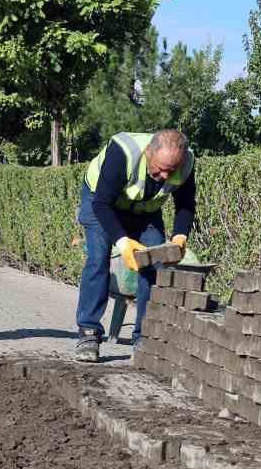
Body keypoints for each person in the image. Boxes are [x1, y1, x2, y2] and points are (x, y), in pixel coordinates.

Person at [74, 128, 196, 362]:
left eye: (171, 171)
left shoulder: (186, 161)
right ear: (149, 152)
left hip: (144, 210)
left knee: (153, 266)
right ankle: (89, 332)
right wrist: (123, 241)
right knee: (98, 259)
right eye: (160, 169)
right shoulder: (123, 152)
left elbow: (186, 204)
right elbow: (101, 204)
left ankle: (143, 338)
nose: (164, 177)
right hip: (100, 202)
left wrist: (180, 235)